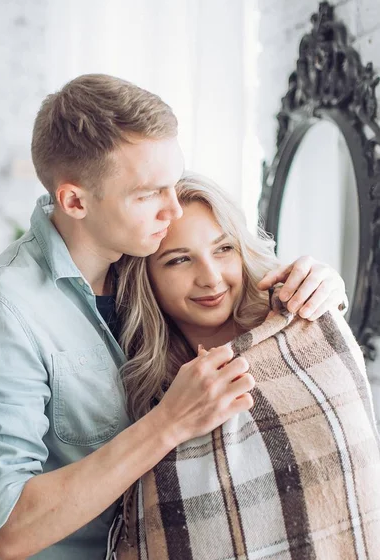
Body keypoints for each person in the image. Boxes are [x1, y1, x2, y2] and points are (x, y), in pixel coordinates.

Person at [0, 75, 347, 560]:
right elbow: (8, 528)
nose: (173, 208)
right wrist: (169, 422)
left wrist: (320, 283)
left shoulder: (139, 264)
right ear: (74, 201)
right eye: (148, 194)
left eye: (173, 183)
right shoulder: (3, 310)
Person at [112, 172, 380, 560]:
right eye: (179, 259)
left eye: (222, 249)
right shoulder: (147, 393)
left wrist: (330, 292)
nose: (211, 277)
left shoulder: (302, 324)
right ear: (146, 278)